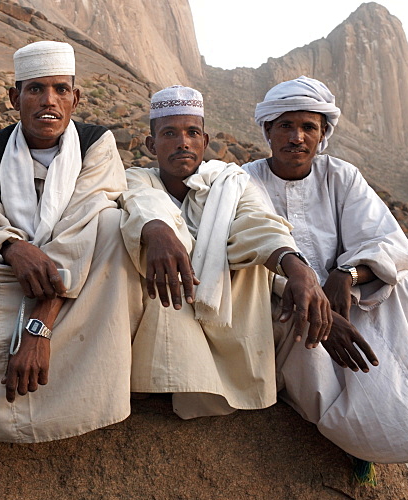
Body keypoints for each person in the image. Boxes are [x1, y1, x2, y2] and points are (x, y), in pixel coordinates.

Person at [0, 40, 141, 443]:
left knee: (110, 226)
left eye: (61, 89)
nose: (49, 100)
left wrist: (38, 328)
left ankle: (77, 394)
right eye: (36, 89)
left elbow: (81, 225)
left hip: (78, 277)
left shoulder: (97, 144)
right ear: (14, 97)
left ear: (75, 98)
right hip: (10, 273)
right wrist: (11, 246)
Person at [243, 76, 408, 464]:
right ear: (267, 130)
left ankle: (388, 406)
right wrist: (320, 312)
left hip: (344, 297)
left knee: (404, 287)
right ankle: (350, 427)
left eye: (308, 127)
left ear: (322, 134)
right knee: (296, 322)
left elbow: (391, 244)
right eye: (285, 125)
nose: (296, 137)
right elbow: (248, 250)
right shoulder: (245, 179)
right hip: (280, 303)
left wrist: (345, 274)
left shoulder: (341, 176)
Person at [120, 85, 331, 418]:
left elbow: (257, 224)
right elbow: (141, 203)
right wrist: (158, 231)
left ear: (205, 142)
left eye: (192, 133)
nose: (182, 142)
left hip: (226, 317)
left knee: (253, 260)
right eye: (170, 133)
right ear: (151, 144)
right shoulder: (137, 179)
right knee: (117, 232)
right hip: (167, 307)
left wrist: (297, 267)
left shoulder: (232, 182)